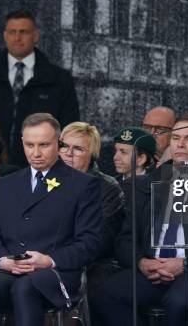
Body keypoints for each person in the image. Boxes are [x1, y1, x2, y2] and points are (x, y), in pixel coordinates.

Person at [0, 113, 102, 326]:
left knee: (25, 288)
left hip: (57, 272)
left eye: (44, 145)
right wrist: (4, 261)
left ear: (58, 144)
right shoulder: (5, 185)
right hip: (12, 269)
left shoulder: (83, 185)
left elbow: (90, 243)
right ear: (21, 142)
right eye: (30, 145)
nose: (36, 153)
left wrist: (48, 260)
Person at [93, 113, 188, 326]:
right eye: (175, 138)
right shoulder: (146, 184)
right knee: (104, 294)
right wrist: (142, 262)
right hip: (153, 268)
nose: (181, 144)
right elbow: (125, 239)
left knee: (177, 303)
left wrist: (186, 263)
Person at [0, 10, 80, 167]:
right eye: (12, 32)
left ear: (35, 36)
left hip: (41, 168)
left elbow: (69, 129)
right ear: (5, 36)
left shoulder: (59, 80)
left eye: (23, 32)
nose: (17, 38)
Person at [58, 122, 125, 291]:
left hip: (91, 265)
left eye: (78, 149)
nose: (68, 153)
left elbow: (99, 240)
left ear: (92, 155)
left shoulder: (108, 187)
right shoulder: (44, 179)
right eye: (63, 146)